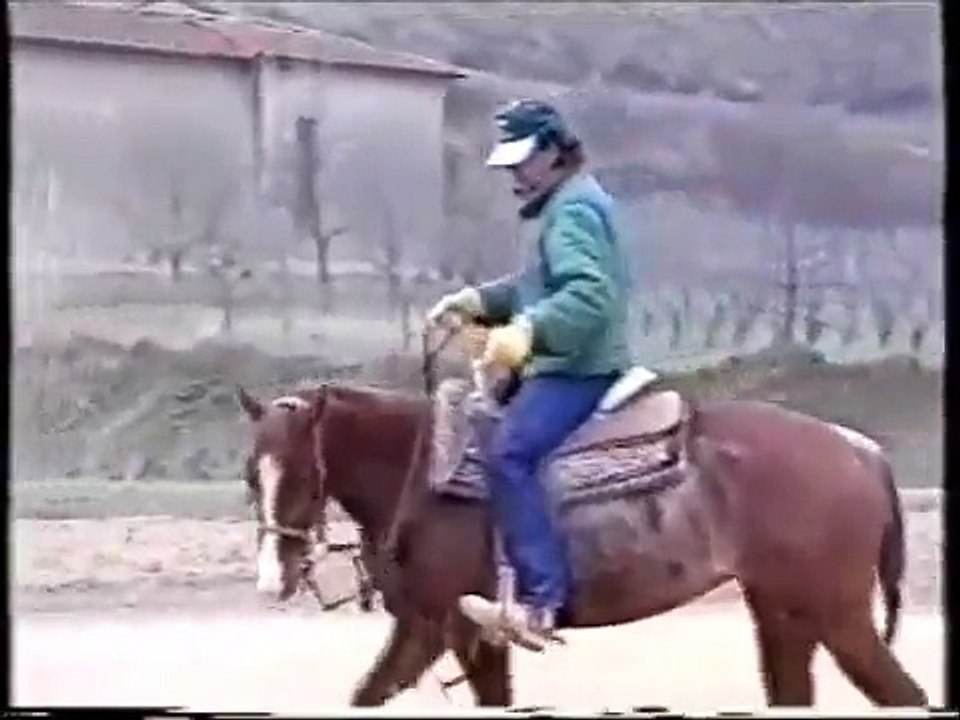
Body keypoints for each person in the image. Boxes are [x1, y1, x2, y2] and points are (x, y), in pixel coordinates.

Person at [427, 98, 632, 650]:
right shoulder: (564, 204)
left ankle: (544, 597)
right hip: (562, 359)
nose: (514, 173)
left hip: (578, 367)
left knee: (510, 454)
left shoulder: (573, 211)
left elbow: (589, 296)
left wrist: (527, 333)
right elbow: (536, 285)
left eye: (522, 160)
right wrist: (479, 302)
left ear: (551, 150)